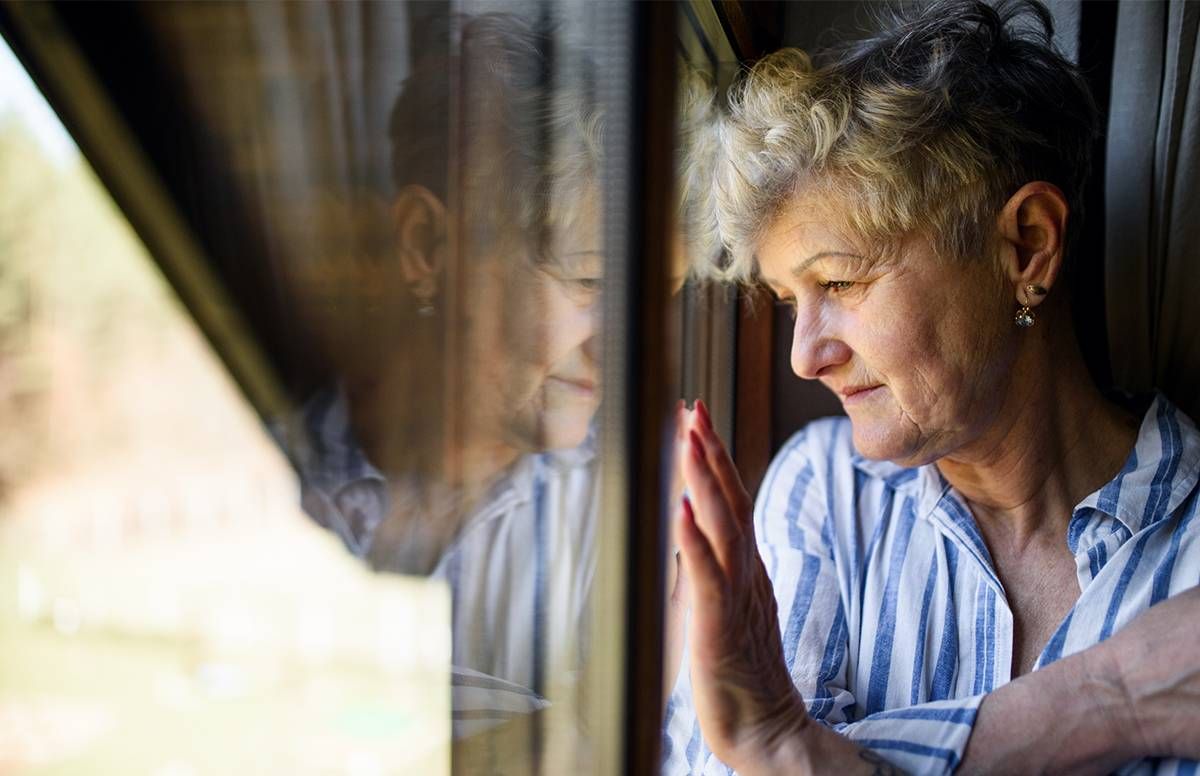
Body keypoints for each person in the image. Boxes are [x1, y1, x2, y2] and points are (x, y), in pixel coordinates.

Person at [663, 1, 1200, 774]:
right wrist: (1110, 699)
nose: (803, 358)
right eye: (789, 304)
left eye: (842, 281)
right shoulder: (824, 493)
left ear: (1027, 246)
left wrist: (800, 750)